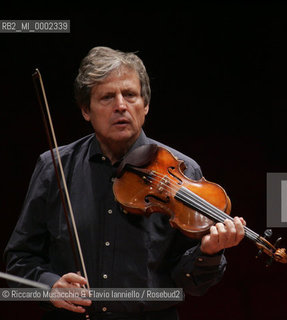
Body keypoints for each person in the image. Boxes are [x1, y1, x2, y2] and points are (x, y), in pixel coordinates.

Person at [4, 46, 246, 320]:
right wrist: (48, 287)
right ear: (86, 110)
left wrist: (208, 252)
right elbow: (18, 261)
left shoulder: (183, 170)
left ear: (145, 105)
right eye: (107, 97)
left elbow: (191, 284)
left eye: (130, 95)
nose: (121, 105)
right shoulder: (53, 168)